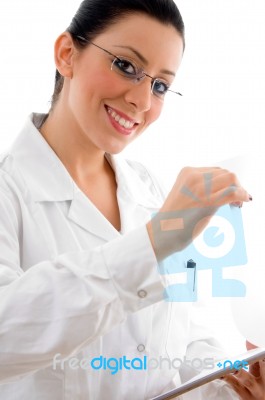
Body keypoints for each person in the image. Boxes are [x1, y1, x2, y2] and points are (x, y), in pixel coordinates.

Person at [0, 0, 254, 399]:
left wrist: (233, 384)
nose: (142, 101)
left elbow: (183, 343)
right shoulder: (7, 188)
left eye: (160, 85)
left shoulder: (151, 190)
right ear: (67, 54)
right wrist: (153, 243)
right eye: (125, 66)